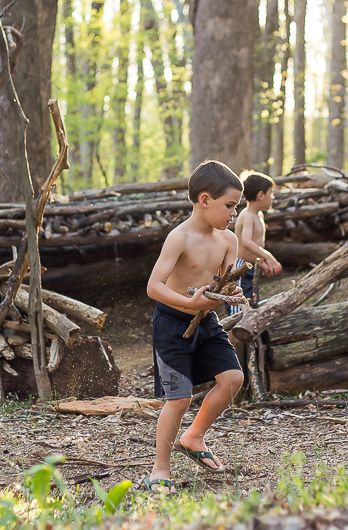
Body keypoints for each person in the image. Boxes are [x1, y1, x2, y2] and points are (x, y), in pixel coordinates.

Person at [144, 160, 246, 494]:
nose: (233, 213)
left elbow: (227, 283)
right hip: (172, 322)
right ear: (204, 200)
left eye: (236, 206)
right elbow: (154, 286)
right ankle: (160, 469)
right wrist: (190, 304)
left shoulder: (229, 240)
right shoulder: (179, 238)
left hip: (207, 321)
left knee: (233, 379)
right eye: (229, 205)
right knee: (179, 398)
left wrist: (232, 292)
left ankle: (194, 436)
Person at [226, 170, 283, 316]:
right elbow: (246, 241)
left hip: (251, 268)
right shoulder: (247, 215)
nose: (273, 197)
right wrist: (268, 256)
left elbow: (255, 245)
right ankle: (231, 336)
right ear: (261, 195)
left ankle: (248, 336)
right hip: (240, 269)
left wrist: (261, 262)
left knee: (251, 303)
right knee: (238, 310)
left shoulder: (259, 215)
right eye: (271, 193)